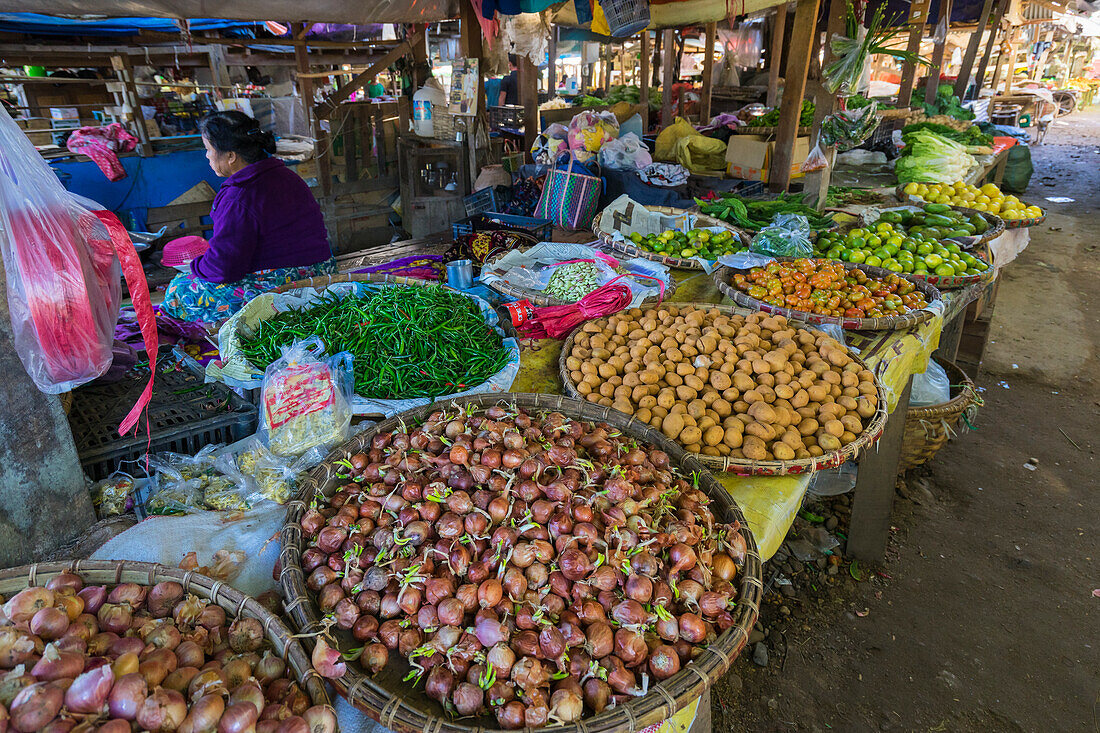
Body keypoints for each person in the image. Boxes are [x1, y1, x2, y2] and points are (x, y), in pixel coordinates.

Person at [161, 110, 336, 323]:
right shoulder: (287, 176)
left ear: (231, 155)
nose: (207, 156)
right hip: (322, 268)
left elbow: (224, 268)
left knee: (179, 290)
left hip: (289, 283)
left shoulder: (239, 196)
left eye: (208, 149)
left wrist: (195, 265)